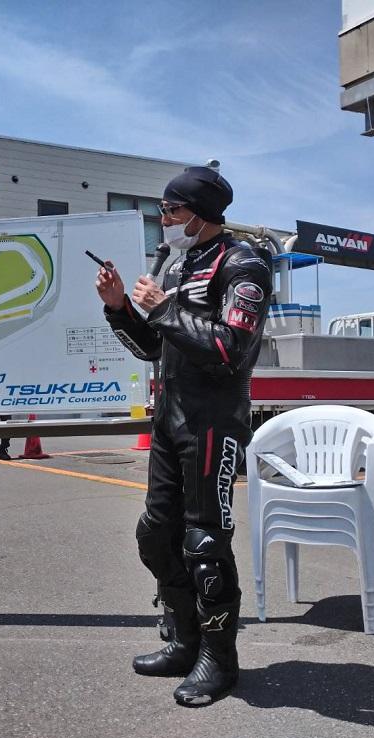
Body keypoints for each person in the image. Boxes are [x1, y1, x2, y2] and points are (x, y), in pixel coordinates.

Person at [94, 166, 272, 706]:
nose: (164, 219)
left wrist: (163, 307)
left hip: (213, 421)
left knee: (205, 543)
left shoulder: (244, 263)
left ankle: (219, 658)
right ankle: (184, 639)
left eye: (171, 210)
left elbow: (230, 349)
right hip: (170, 418)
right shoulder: (177, 264)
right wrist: (120, 307)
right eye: (163, 210)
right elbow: (155, 347)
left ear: (200, 214)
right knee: (156, 535)